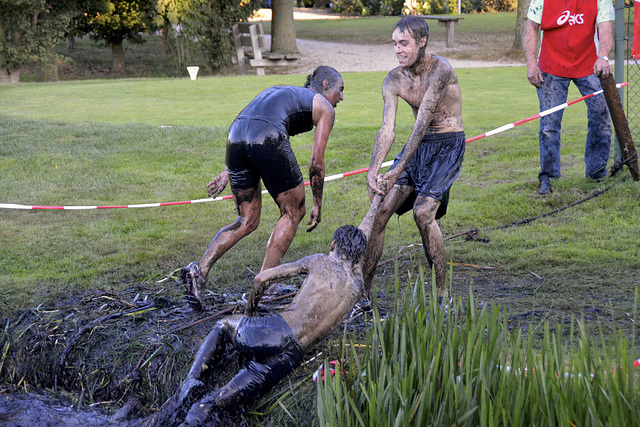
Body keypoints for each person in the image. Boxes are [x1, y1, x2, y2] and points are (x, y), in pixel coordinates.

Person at [145, 225, 368, 427]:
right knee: (214, 404)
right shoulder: (357, 288)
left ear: (333, 245)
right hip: (290, 357)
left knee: (223, 326)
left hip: (274, 332)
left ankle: (192, 382)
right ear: (358, 259)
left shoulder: (320, 260)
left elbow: (261, 279)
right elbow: (369, 226)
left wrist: (249, 313)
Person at [181, 66, 344, 309]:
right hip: (263, 135)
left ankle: (199, 271)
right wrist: (317, 203)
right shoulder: (324, 107)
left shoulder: (288, 95)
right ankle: (266, 283)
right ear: (325, 84)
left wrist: (231, 168)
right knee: (294, 212)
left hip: (236, 136)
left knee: (246, 220)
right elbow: (316, 164)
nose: (341, 97)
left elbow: (252, 125)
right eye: (340, 90)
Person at [360, 16, 465, 304]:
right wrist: (374, 171)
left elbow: (421, 124)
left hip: (446, 144)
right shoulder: (394, 79)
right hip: (417, 148)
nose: (398, 50)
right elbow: (388, 129)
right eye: (395, 44)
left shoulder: (440, 71)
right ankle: (362, 294)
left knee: (422, 213)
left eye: (404, 43)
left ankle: (443, 295)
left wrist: (396, 171)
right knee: (380, 211)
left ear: (422, 42)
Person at [523, 0, 614, 195]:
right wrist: (531, 64)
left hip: (589, 65)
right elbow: (531, 28)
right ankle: (549, 177)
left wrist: (603, 56)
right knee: (549, 124)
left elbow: (605, 29)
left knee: (602, 116)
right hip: (551, 65)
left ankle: (596, 174)